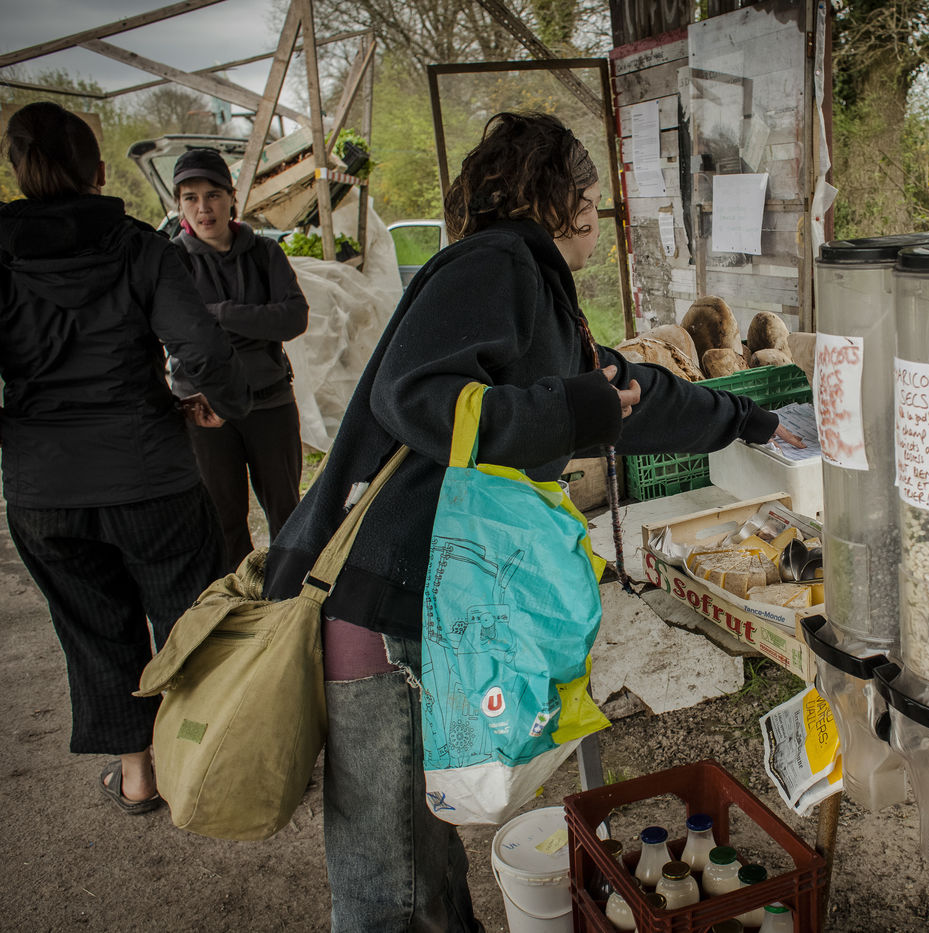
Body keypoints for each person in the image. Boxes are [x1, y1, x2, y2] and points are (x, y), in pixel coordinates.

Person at [264, 111, 800, 932]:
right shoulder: (493, 265)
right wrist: (570, 409)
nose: (597, 216)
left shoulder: (536, 288)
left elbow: (625, 392)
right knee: (389, 885)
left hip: (436, 605)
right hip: (389, 606)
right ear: (568, 201)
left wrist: (747, 419)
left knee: (424, 855)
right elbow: (411, 395)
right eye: (591, 197)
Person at [0, 102, 251, 813]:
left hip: (45, 486)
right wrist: (223, 403)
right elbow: (201, 348)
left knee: (93, 629)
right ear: (101, 173)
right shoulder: (140, 246)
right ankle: (199, 765)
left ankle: (138, 775)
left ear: (18, 173)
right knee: (187, 621)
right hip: (150, 474)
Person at [170, 147, 310, 573]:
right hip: (204, 408)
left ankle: (288, 599)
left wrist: (218, 314)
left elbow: (293, 318)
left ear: (232, 198)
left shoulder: (265, 254)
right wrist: (257, 321)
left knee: (287, 513)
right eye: (191, 197)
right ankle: (236, 600)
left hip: (269, 402)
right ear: (179, 204)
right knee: (222, 518)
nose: (203, 207)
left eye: (213, 194)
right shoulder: (171, 261)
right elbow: (175, 333)